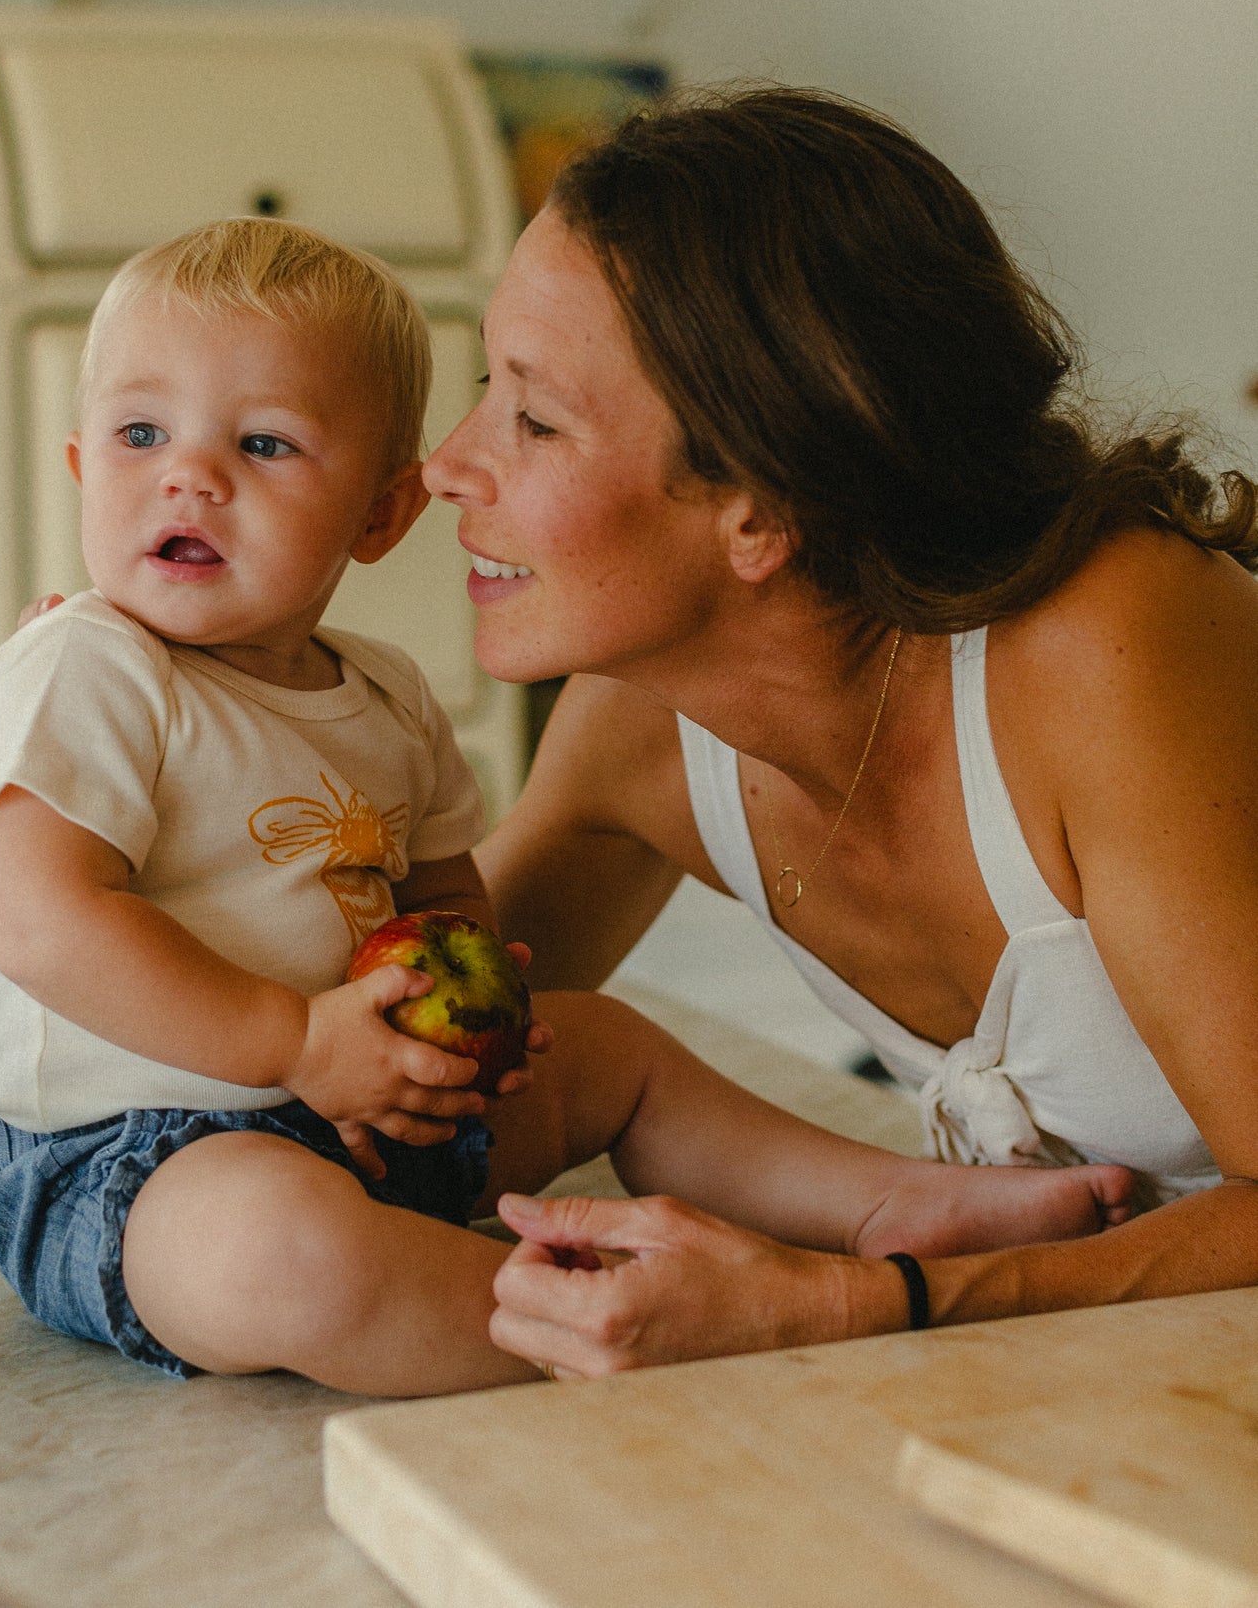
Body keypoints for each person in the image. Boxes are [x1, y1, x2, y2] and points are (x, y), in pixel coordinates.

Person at [0, 215, 1131, 1396]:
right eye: (139, 433)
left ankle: (890, 1198)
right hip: (135, 1162)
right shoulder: (84, 668)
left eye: (264, 444)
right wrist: (294, 1043)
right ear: (78, 469)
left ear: (378, 516)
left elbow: (435, 890)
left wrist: (471, 1020)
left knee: (610, 1047)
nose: (190, 474)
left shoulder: (383, 693)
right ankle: (592, 1324)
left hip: (362, 1102)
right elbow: (44, 922)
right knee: (280, 1248)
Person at [417, 86, 1258, 1377]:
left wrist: (849, 1300)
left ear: (761, 509)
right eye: (490, 383)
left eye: (533, 417)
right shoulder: (638, 736)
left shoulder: (1106, 647)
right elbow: (423, 1075)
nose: (446, 463)